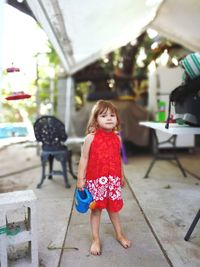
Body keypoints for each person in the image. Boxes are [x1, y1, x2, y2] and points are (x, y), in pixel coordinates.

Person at [77, 100, 131, 255]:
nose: (109, 118)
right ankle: (95, 239)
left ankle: (119, 235)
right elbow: (84, 158)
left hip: (112, 181)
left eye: (112, 115)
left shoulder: (117, 138)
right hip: (96, 181)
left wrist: (121, 176)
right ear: (96, 120)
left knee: (114, 210)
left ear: (117, 119)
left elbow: (118, 158)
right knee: (96, 211)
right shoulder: (91, 138)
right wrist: (81, 178)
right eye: (104, 115)